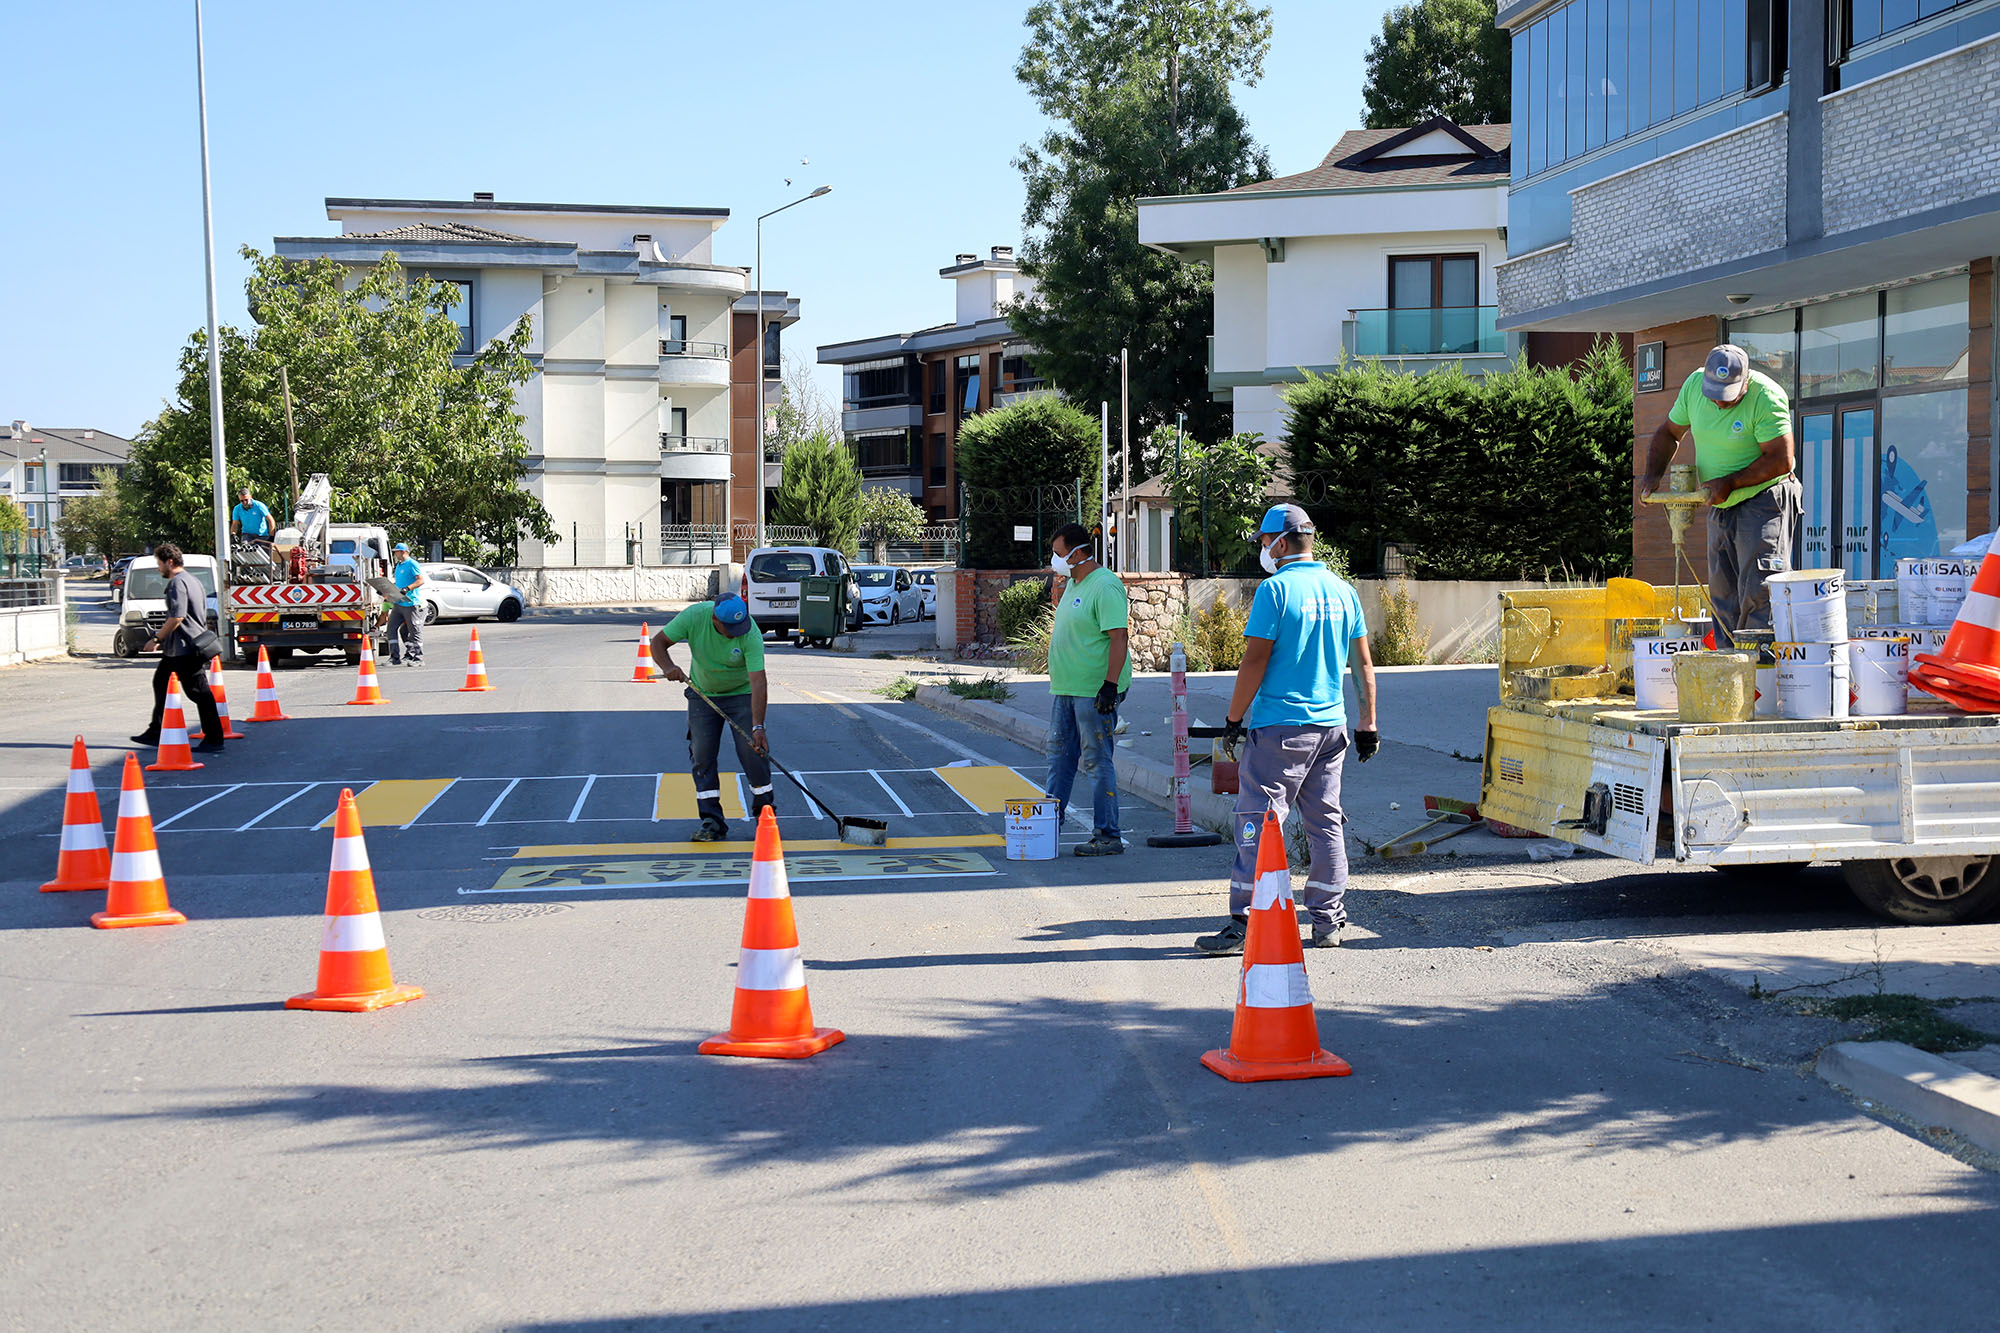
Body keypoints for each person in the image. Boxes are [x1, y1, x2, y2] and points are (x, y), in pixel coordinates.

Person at [1197, 505, 1376, 955]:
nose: (1262, 548)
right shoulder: (1343, 591)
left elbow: (1254, 661)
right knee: (1325, 823)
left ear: (1280, 541)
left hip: (1280, 728)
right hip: (1331, 727)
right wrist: (1368, 723)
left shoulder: (1275, 590)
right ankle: (1328, 922)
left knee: (1258, 822)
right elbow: (1363, 664)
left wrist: (1233, 719)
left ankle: (1245, 922)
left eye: (1263, 540)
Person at [1637, 344, 1799, 642]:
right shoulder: (1692, 386)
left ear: (1746, 381)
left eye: (1728, 395)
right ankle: (1726, 662)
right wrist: (1652, 476)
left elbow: (1781, 460)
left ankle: (1760, 665)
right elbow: (1669, 433)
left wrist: (1731, 483)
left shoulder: (1766, 396)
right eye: (1714, 394)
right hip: (1721, 501)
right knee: (1723, 595)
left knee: (1759, 589)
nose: (1720, 402)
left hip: (1764, 498)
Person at [652, 594, 774, 842]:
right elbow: (658, 642)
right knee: (702, 755)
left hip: (742, 694)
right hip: (703, 694)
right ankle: (712, 822)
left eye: (740, 627)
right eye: (730, 629)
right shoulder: (695, 616)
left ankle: (765, 817)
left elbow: (758, 681)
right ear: (715, 620)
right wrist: (668, 667)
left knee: (753, 752)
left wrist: (758, 726)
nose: (736, 633)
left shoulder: (750, 633)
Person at [1044, 523, 1131, 857]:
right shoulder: (1073, 584)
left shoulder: (1105, 585)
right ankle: (1047, 827)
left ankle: (1108, 835)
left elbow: (1118, 637)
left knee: (1096, 760)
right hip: (1067, 688)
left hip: (1093, 692)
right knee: (1059, 759)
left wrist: (1110, 686)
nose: (1055, 559)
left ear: (1078, 553)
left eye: (1059, 553)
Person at [130, 543, 225, 754]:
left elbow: (177, 617)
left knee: (199, 692)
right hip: (180, 648)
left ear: (170, 562)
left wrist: (156, 638)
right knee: (161, 682)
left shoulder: (177, 583)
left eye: (159, 564)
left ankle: (214, 738)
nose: (158, 569)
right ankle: (156, 731)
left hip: (185, 648)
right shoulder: (193, 581)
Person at [385, 541, 427, 666]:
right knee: (391, 628)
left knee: (414, 631)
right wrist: (386, 590)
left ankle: (419, 658)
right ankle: (394, 657)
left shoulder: (412, 564)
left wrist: (407, 588)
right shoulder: (398, 566)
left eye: (396, 552)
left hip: (411, 603)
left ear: (403, 552)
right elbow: (399, 583)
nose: (395, 554)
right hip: (399, 602)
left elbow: (421, 580)